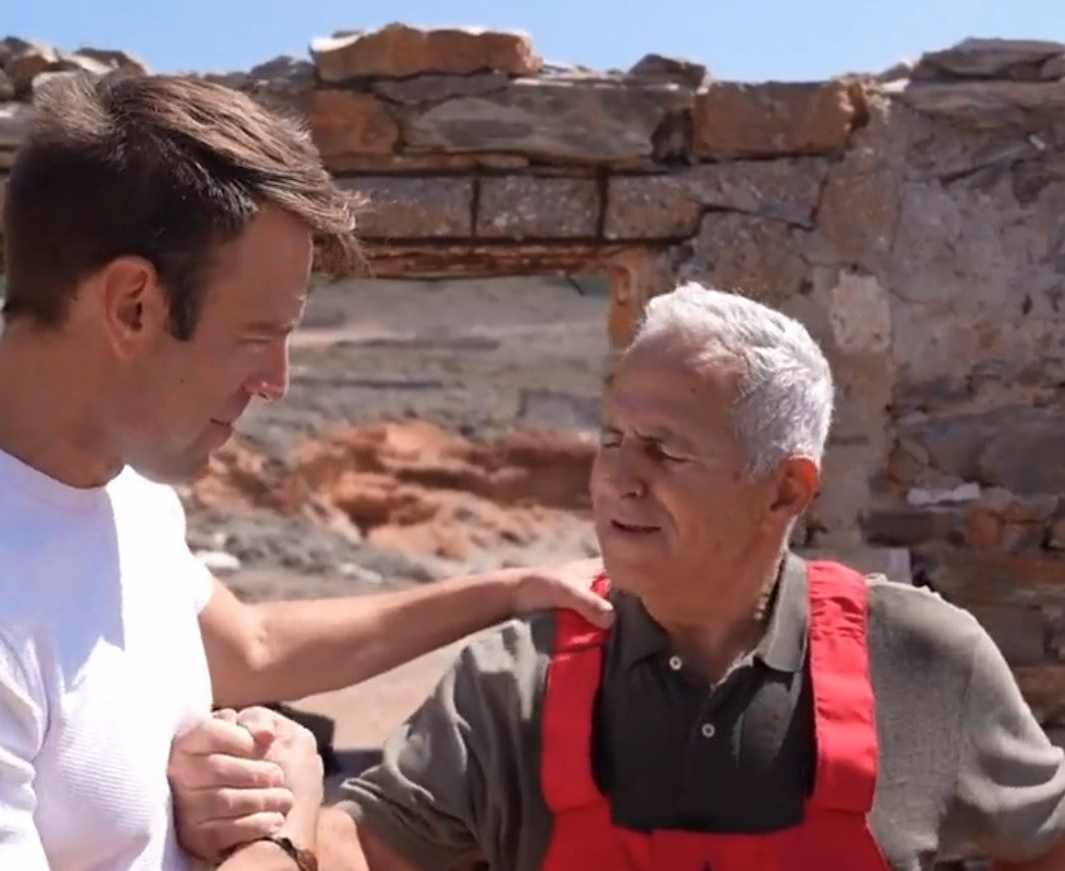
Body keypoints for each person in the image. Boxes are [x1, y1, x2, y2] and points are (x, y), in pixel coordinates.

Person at [0, 71, 611, 871]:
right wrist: (284, 832)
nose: (277, 381)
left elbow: (252, 646)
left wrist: (509, 589)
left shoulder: (118, 484)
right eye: (257, 335)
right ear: (133, 305)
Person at [169, 282, 1065, 870]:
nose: (618, 479)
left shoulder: (923, 659)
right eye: (611, 440)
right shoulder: (514, 680)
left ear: (786, 489)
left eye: (665, 450)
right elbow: (362, 845)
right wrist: (277, 811)